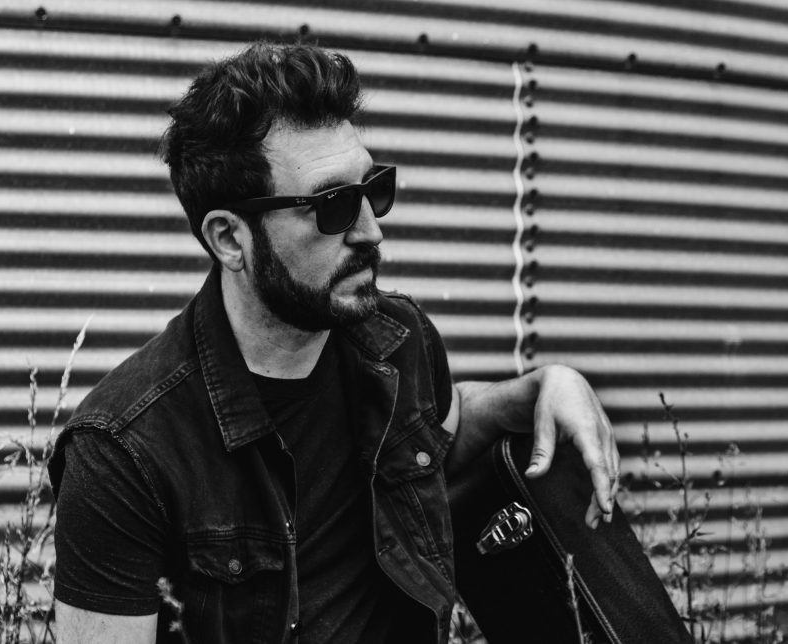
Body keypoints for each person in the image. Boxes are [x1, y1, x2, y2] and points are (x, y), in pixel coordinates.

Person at [49, 41, 621, 643]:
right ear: (230, 239)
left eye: (372, 189)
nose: (371, 231)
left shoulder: (396, 340)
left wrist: (537, 389)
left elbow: (437, 432)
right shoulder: (124, 452)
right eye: (333, 205)